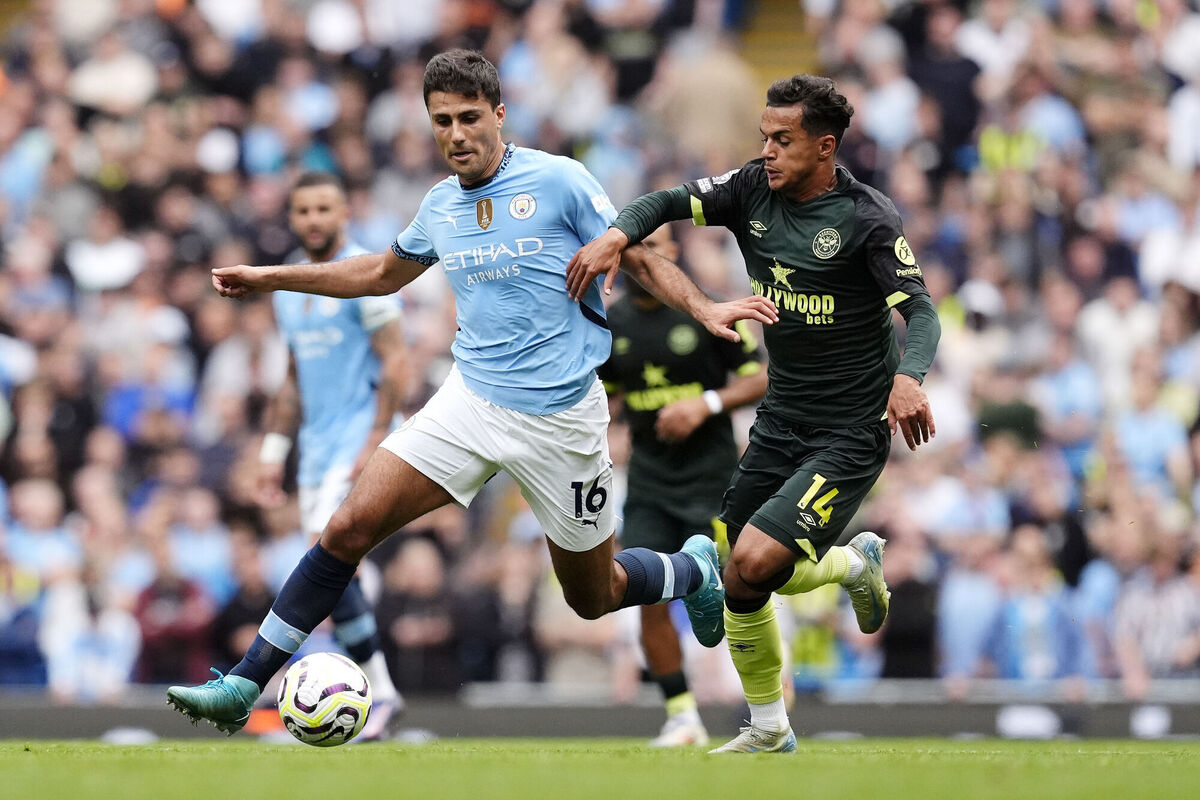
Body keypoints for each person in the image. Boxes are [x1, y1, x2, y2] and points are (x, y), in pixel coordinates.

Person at [165, 49, 777, 734]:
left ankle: (691, 571)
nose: (455, 134)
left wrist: (705, 306)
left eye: (468, 117)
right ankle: (245, 684)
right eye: (441, 121)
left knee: (594, 595)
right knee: (345, 528)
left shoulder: (559, 180)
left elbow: (638, 257)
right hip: (470, 402)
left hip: (561, 420)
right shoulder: (439, 206)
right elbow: (379, 273)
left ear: (499, 114)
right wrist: (271, 277)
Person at [567, 73, 941, 753]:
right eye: (764, 136)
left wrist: (909, 378)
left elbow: (920, 310)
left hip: (848, 431)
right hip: (778, 420)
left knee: (754, 557)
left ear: (824, 147)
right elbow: (665, 200)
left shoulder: (867, 218)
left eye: (783, 139)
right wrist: (617, 237)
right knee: (738, 575)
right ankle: (769, 727)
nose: (767, 150)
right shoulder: (750, 189)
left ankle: (849, 568)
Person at [598, 223, 768, 747]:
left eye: (651, 247)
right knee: (643, 594)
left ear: (672, 252)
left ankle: (767, 707)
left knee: (744, 589)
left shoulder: (707, 309)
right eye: (632, 250)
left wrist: (706, 404)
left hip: (713, 482)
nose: (641, 259)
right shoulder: (610, 324)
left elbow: (762, 377)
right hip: (649, 483)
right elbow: (607, 396)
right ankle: (681, 716)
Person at [254, 171, 408, 738]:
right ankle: (376, 694)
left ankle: (379, 693)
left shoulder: (365, 273)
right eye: (304, 210)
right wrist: (273, 451)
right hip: (318, 450)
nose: (314, 219)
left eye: (324, 208)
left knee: (328, 558)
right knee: (331, 574)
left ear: (344, 213)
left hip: (358, 441)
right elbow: (294, 379)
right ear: (292, 218)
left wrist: (376, 437)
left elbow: (397, 360)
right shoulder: (289, 288)